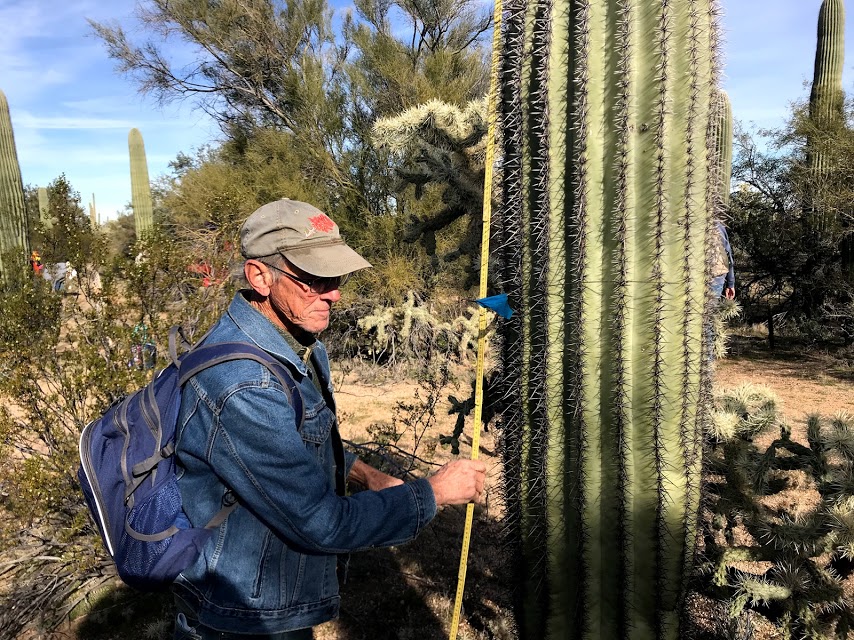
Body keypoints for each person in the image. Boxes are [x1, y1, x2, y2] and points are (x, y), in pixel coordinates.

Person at [173, 199, 486, 639]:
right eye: (314, 279)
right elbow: (322, 523)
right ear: (260, 277)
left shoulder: (299, 343)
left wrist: (368, 475)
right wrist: (432, 492)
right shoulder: (243, 385)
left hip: (274, 605)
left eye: (336, 276)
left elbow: (301, 441)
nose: (334, 293)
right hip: (240, 620)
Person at [711, 219, 735, 300]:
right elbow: (728, 253)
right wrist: (730, 284)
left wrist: (730, 284)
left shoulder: (717, 226)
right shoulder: (718, 226)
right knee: (710, 311)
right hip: (717, 279)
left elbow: (727, 253)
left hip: (715, 279)